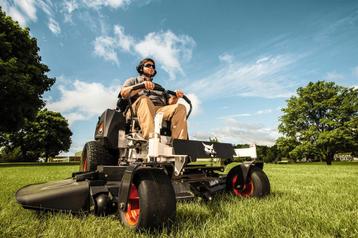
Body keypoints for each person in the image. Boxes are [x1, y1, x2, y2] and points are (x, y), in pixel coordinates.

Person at [120, 58, 188, 140]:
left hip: (159, 110)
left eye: (153, 66)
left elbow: (170, 103)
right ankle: (150, 139)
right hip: (137, 108)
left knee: (180, 107)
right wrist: (141, 86)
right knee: (144, 99)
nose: (151, 67)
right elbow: (123, 93)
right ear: (141, 68)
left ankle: (179, 143)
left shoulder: (159, 87)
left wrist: (175, 97)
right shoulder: (133, 80)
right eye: (148, 65)